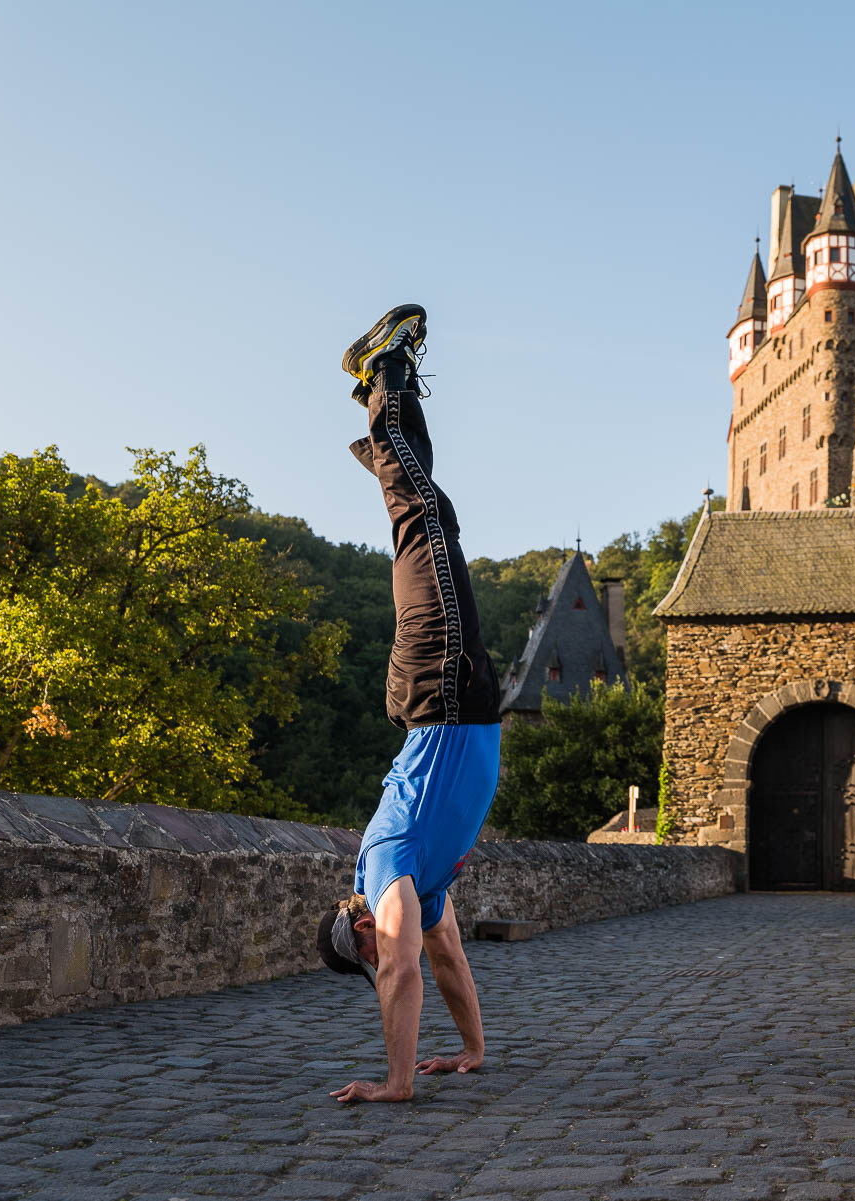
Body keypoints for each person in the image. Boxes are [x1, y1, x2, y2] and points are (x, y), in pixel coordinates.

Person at [314, 304, 503, 1104]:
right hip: (453, 698)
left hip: (440, 691)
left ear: (354, 924)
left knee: (422, 522)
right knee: (429, 519)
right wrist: (471, 1048)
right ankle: (386, 423)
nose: (384, 947)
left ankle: (380, 375)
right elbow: (447, 961)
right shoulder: (420, 895)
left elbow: (400, 964)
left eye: (367, 945)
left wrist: (395, 1082)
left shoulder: (387, 868)